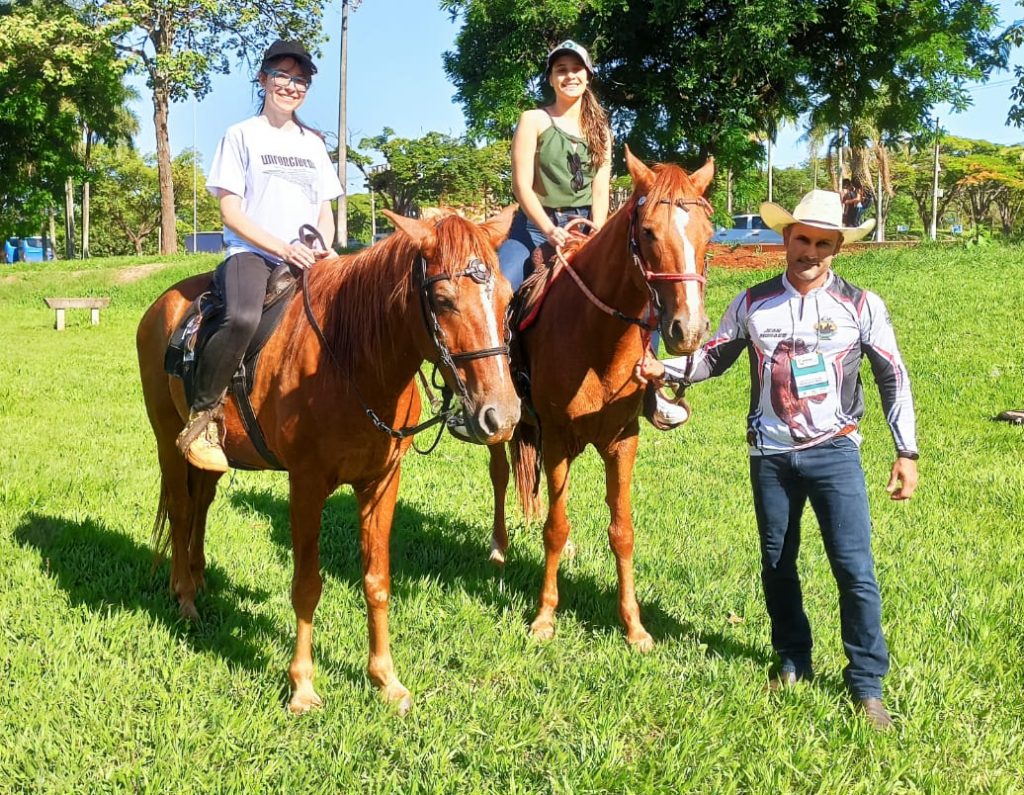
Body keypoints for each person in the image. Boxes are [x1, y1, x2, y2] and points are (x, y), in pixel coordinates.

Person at [634, 189, 919, 730]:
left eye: (823, 243)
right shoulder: (752, 302)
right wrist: (663, 372)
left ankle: (866, 684)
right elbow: (712, 358)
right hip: (770, 456)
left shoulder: (861, 305)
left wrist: (906, 450)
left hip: (836, 454)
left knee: (854, 570)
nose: (810, 251)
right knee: (777, 564)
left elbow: (893, 377)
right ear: (786, 239)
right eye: (802, 239)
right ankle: (792, 659)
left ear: (837, 248)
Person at [179, 40, 343, 472]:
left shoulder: (313, 142)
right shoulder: (240, 135)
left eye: (301, 79)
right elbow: (230, 212)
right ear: (263, 78)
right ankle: (204, 416)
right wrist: (281, 246)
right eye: (283, 76)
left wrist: (321, 243)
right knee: (243, 317)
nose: (292, 86)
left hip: (309, 256)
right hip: (252, 252)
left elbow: (324, 210)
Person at [498, 40, 612, 291]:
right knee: (503, 284)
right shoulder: (533, 120)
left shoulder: (602, 130)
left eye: (576, 69)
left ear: (588, 76)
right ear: (550, 78)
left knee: (637, 293)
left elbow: (601, 190)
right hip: (535, 228)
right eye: (561, 69)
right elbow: (521, 186)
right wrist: (549, 230)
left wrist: (597, 232)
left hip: (585, 226)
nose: (569, 75)